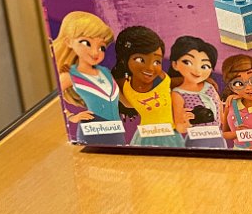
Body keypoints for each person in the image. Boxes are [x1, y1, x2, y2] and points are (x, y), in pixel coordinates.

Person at [52, 11, 124, 146]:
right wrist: (71, 117)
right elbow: (53, 104)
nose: (95, 52)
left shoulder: (105, 72)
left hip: (116, 131)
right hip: (92, 132)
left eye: (101, 47)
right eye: (86, 43)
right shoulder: (70, 76)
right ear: (69, 42)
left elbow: (121, 100)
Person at [114, 26, 185, 147]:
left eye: (157, 61)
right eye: (140, 59)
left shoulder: (161, 78)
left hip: (170, 136)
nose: (150, 68)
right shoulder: (123, 85)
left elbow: (174, 83)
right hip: (144, 137)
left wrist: (204, 80)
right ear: (124, 60)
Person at [169, 36, 226, 149]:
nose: (197, 70)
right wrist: (187, 122)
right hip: (196, 140)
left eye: (205, 66)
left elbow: (222, 117)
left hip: (218, 139)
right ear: (175, 64)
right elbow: (179, 127)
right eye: (188, 62)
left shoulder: (210, 87)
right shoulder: (178, 93)